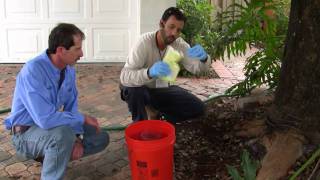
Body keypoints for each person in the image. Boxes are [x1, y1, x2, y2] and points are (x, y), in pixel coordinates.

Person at [4, 23, 109, 179]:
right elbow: (45, 119)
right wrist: (77, 125)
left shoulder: (69, 70)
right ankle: (53, 159)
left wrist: (76, 138)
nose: (82, 54)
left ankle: (55, 154)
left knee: (99, 136)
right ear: (61, 50)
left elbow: (71, 108)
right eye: (77, 49)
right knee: (62, 135)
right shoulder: (33, 71)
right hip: (25, 134)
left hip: (50, 129)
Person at [120, 7, 212, 123]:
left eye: (178, 30)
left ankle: (160, 117)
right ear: (161, 24)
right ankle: (140, 125)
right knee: (135, 91)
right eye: (171, 27)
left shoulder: (179, 44)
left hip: (161, 89)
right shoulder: (143, 42)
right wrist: (148, 72)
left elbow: (198, 69)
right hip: (140, 88)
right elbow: (125, 76)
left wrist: (203, 59)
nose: (174, 33)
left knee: (198, 108)